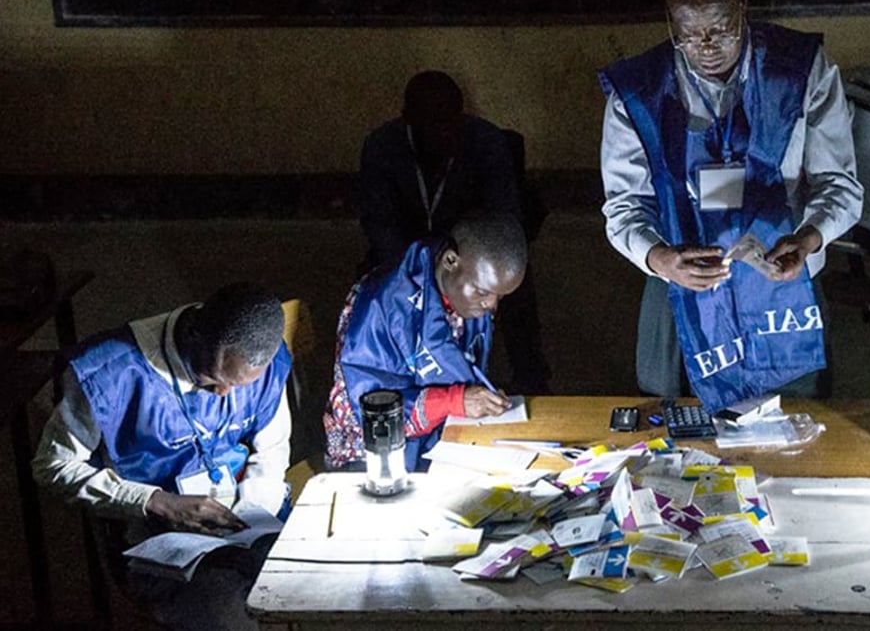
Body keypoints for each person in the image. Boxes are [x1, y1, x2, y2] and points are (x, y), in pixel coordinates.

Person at [599, 0, 862, 414]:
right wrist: (659, 259)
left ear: (743, 3)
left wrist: (808, 240)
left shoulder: (799, 70)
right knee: (680, 429)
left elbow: (840, 187)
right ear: (669, 19)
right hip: (682, 289)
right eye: (688, 33)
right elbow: (623, 208)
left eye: (719, 29)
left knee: (794, 427)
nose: (705, 48)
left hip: (782, 282)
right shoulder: (638, 91)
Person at [33, 282, 292, 631]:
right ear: (194, 335)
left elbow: (273, 449)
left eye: (240, 385)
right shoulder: (113, 373)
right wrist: (157, 502)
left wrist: (254, 509)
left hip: (244, 522)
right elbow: (52, 465)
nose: (225, 394)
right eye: (211, 381)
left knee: (324, 584)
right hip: (160, 543)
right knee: (233, 615)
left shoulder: (265, 358)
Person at [358, 69, 551, 394]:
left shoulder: (486, 142)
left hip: (470, 252)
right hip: (406, 255)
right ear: (408, 119)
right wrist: (421, 272)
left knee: (506, 285)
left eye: (451, 119)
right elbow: (379, 223)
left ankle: (533, 384)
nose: (444, 131)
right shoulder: (382, 147)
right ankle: (414, 383)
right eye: (433, 122)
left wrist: (468, 259)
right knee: (381, 295)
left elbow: (504, 218)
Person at [324, 214, 526, 471]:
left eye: (500, 297)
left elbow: (461, 369)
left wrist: (476, 397)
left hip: (444, 434)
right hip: (372, 457)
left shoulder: (461, 289)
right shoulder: (382, 303)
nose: (491, 305)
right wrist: (453, 401)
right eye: (484, 292)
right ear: (451, 260)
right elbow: (367, 409)